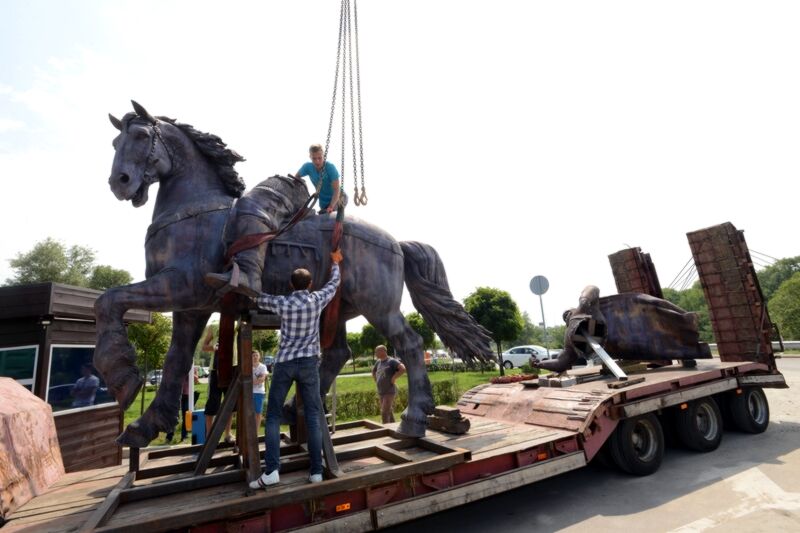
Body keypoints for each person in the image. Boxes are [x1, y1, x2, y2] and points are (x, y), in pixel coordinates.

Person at [248, 249, 342, 490]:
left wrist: (242, 279)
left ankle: (272, 472)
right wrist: (335, 262)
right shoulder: (317, 299)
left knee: (273, 416)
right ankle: (316, 472)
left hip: (285, 363)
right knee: (312, 415)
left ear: (291, 284)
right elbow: (334, 283)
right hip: (310, 363)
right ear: (310, 285)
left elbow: (256, 297)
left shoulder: (283, 302)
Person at [202, 329, 235, 444]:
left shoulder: (238, 323)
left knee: (230, 403)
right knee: (212, 403)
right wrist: (213, 347)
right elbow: (204, 346)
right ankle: (209, 436)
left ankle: (228, 434)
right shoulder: (215, 324)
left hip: (233, 367)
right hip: (216, 368)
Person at [296, 144, 342, 214]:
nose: (317, 161)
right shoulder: (307, 167)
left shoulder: (330, 168)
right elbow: (296, 177)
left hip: (337, 198)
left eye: (320, 158)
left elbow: (336, 190)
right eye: (314, 158)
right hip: (323, 202)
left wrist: (331, 206)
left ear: (323, 156)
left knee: (329, 218)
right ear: (310, 157)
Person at [371, 345, 406, 423]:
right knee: (388, 411)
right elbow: (373, 371)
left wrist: (394, 378)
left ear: (383, 351)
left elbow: (402, 368)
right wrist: (376, 380)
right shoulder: (378, 362)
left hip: (389, 390)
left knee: (384, 412)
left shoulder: (391, 361)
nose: (375, 353)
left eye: (377, 351)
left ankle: (385, 431)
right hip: (381, 391)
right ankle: (393, 427)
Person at [252, 350, 268, 430]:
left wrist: (250, 382)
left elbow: (262, 379)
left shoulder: (263, 367)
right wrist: (256, 381)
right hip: (249, 392)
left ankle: (256, 432)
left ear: (259, 357)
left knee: (258, 413)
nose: (255, 357)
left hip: (259, 392)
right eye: (253, 355)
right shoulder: (247, 366)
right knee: (249, 413)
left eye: (256, 355)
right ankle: (250, 431)